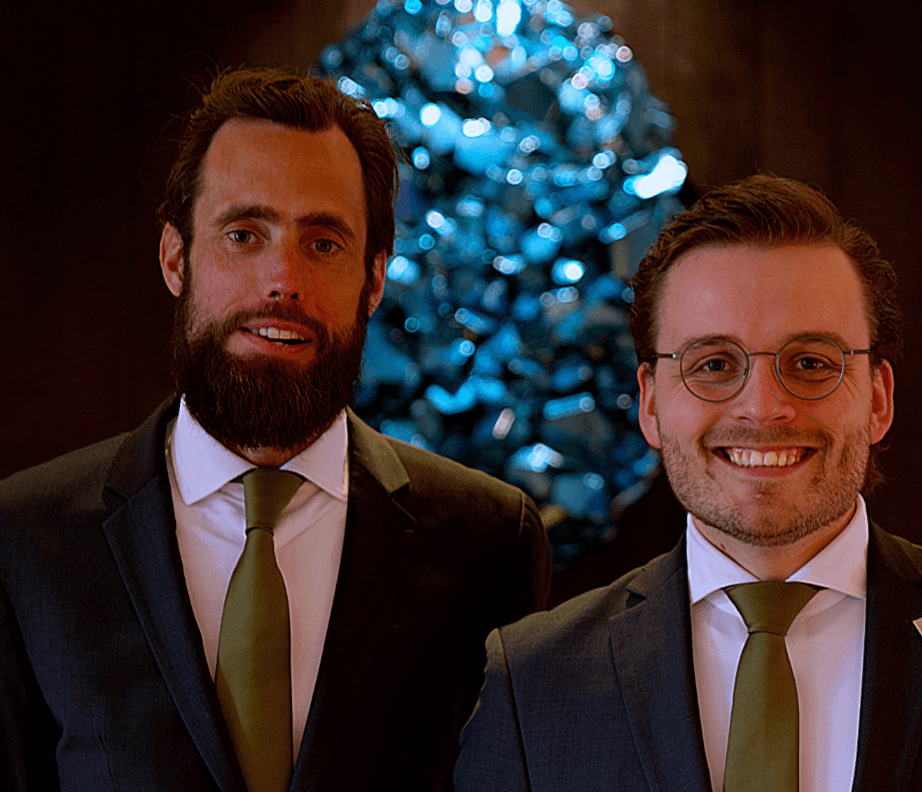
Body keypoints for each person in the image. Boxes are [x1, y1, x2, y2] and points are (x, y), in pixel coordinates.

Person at [0, 68, 550, 791]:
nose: (282, 279)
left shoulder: (491, 543)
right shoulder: (24, 541)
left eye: (323, 244)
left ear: (374, 280)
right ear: (176, 258)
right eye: (243, 234)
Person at [453, 175, 922, 792]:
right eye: (713, 364)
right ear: (650, 404)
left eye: (811, 363)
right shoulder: (532, 682)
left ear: (878, 399)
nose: (762, 408)